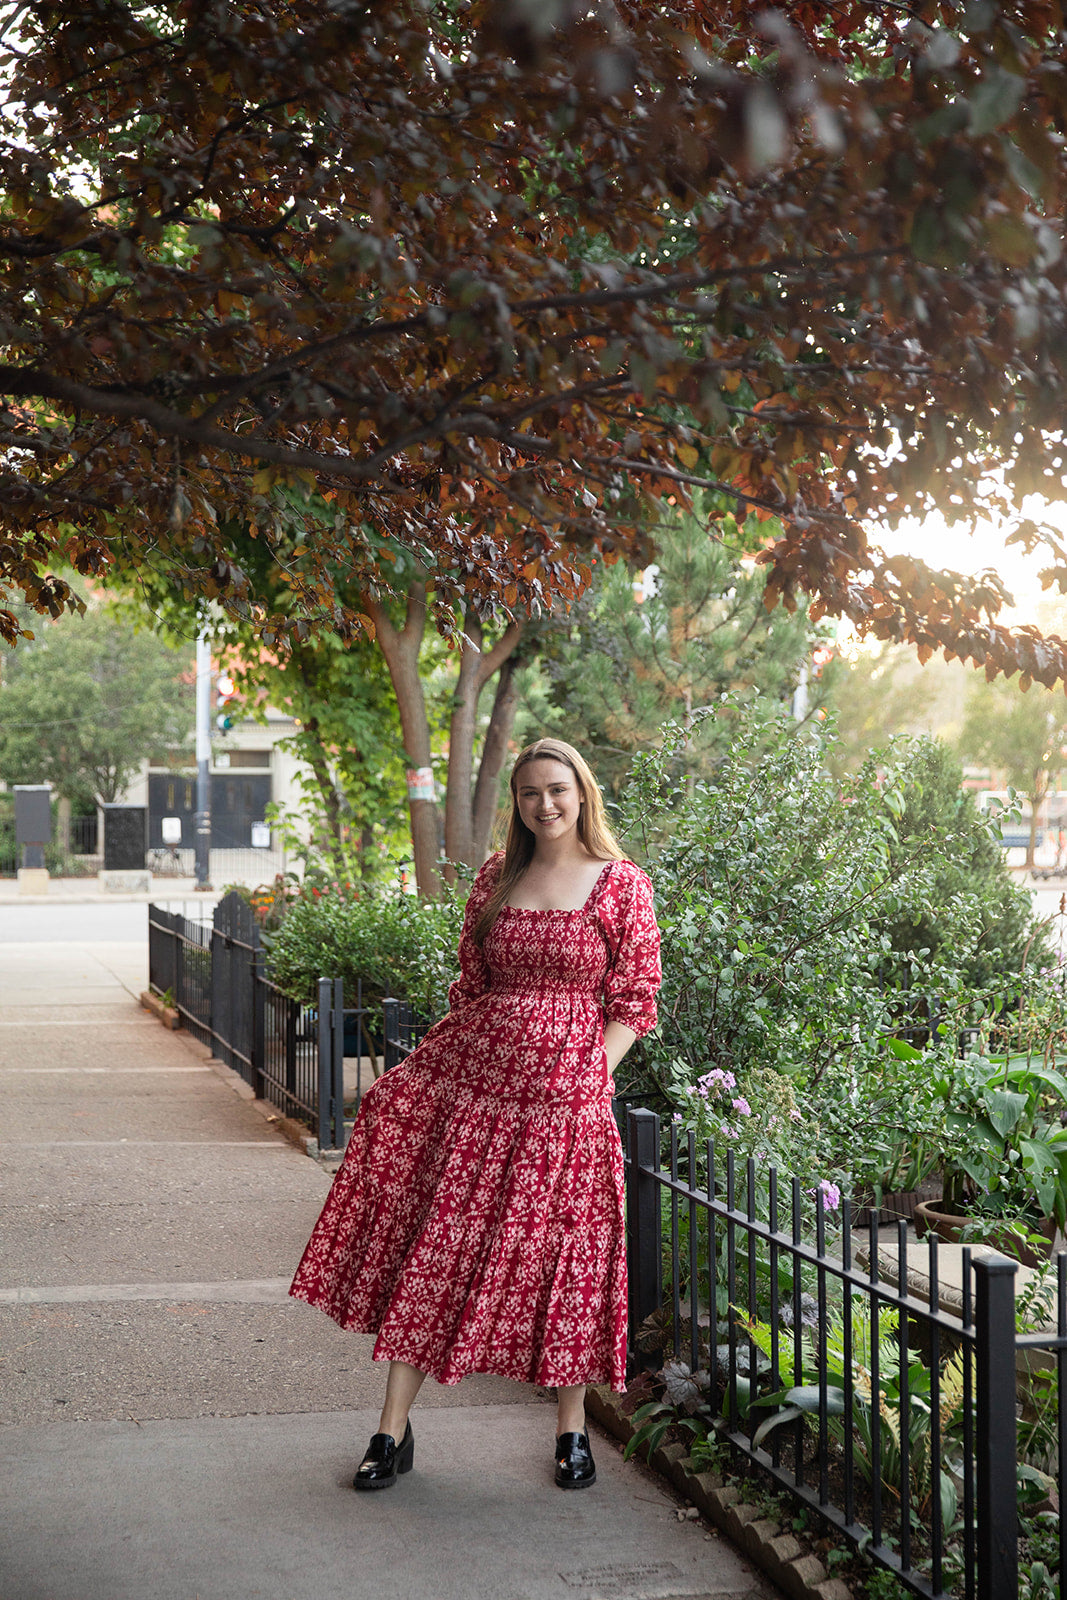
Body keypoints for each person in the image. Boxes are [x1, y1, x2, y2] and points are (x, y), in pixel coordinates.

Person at [289, 737, 661, 1492]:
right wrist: (435, 1079)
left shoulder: (620, 885)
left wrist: (589, 1074)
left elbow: (635, 1000)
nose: (545, 804)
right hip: (480, 1097)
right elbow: (472, 984)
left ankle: (569, 1430)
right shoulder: (499, 875)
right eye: (530, 793)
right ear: (517, 803)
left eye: (557, 790)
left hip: (569, 1107)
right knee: (438, 1248)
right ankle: (390, 1430)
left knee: (567, 1262)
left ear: (582, 793)